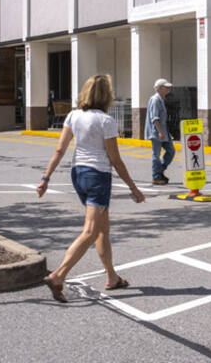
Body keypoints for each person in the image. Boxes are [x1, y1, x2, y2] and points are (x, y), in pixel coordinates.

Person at [35, 73, 145, 301]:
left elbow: (60, 150)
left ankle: (112, 277)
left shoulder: (73, 116)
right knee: (90, 231)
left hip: (78, 174)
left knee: (102, 229)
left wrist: (46, 178)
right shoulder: (106, 121)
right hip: (97, 177)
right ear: (106, 96)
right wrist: (134, 188)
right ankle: (58, 275)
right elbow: (115, 159)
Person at [146, 78, 174, 185]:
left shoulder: (161, 99)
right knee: (156, 154)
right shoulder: (155, 100)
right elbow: (155, 118)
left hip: (163, 131)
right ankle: (156, 176)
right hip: (157, 132)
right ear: (159, 88)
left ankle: (160, 170)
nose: (168, 88)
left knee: (171, 151)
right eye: (166, 87)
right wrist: (160, 132)